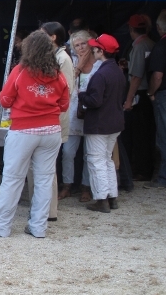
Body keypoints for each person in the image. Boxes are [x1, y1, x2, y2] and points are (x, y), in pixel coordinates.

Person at [0, 31, 69, 238]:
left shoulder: (20, 71)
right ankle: (38, 227)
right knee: (44, 180)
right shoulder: (57, 73)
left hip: (23, 130)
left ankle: (1, 225)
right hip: (51, 130)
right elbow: (64, 104)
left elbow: (5, 99)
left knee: (13, 178)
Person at [26, 22, 74, 221]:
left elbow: (66, 91)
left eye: (43, 33)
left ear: (53, 37)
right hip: (45, 119)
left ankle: (48, 210)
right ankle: (38, 206)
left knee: (46, 168)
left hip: (53, 119)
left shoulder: (63, 58)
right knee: (37, 167)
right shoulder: (50, 57)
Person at [78, 34, 126, 213]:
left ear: (101, 51)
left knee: (96, 161)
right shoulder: (117, 71)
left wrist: (82, 95)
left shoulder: (101, 74)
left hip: (99, 123)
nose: (93, 50)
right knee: (107, 159)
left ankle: (101, 199)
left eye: (95, 48)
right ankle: (112, 197)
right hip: (115, 122)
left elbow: (95, 101)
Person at [59, 30, 99, 201]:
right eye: (77, 45)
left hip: (93, 113)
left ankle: (86, 187)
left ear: (90, 44)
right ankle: (67, 185)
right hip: (74, 112)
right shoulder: (72, 62)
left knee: (89, 154)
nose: (81, 47)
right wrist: (79, 67)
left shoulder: (99, 63)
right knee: (68, 152)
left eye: (84, 44)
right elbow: (65, 85)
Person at [122, 14, 156, 181]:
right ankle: (147, 168)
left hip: (139, 94)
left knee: (138, 135)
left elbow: (136, 76)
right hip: (148, 93)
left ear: (131, 29)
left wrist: (129, 99)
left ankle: (142, 170)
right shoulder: (151, 43)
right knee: (147, 132)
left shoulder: (139, 46)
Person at [145, 10, 166, 189]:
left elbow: (157, 76)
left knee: (163, 136)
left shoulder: (160, 47)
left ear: (159, 28)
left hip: (164, 95)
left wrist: (151, 93)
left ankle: (163, 177)